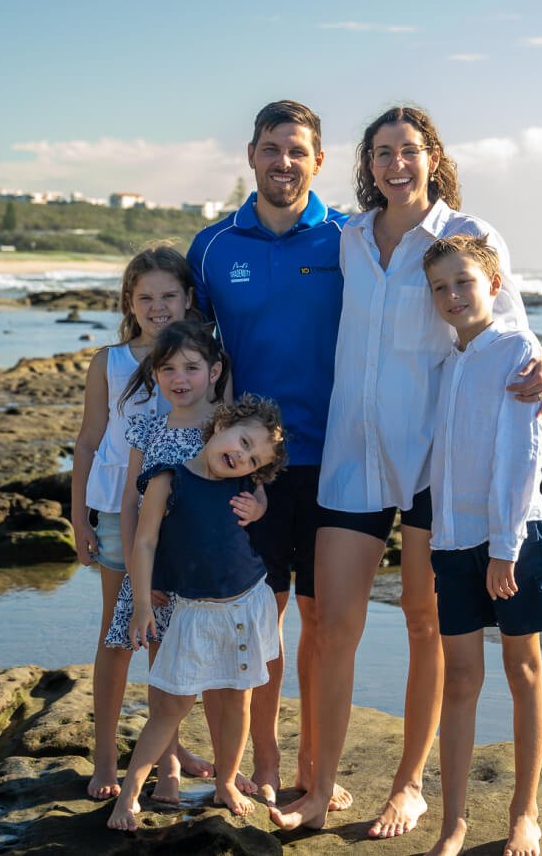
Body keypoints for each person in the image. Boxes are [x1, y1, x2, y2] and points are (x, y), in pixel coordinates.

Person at [269, 106, 542, 835]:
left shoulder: (468, 236)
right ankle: (318, 785)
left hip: (437, 459)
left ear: (431, 156)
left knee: (426, 623)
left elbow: (512, 334)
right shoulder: (345, 238)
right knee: (332, 625)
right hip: (351, 453)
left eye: (407, 150)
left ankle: (409, 787)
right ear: (365, 165)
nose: (394, 164)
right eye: (380, 153)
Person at [187, 100, 349, 805]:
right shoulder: (213, 247)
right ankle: (267, 763)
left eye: (298, 150)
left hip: (338, 462)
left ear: (318, 160)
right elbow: (181, 355)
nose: (284, 162)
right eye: (271, 148)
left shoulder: (350, 236)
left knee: (321, 620)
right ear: (251, 155)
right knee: (261, 620)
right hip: (250, 466)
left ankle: (316, 766)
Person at [422, 234, 542, 856]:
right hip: (454, 542)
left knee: (521, 667)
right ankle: (454, 822)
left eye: (464, 282)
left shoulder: (517, 350)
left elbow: (521, 457)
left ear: (494, 287)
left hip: (515, 536)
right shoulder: (448, 362)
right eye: (440, 287)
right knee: (460, 679)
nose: (452, 295)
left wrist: (505, 546)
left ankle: (524, 813)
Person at [107, 396, 288, 832]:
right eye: (242, 441)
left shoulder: (244, 488)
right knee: (171, 705)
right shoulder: (168, 480)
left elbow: (260, 498)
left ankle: (226, 780)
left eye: (253, 459)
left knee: (237, 700)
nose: (241, 455)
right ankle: (129, 794)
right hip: (192, 611)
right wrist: (143, 605)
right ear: (220, 424)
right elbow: (146, 541)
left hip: (246, 604)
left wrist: (260, 504)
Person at [71, 244, 197, 800]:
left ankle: (168, 753)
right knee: (118, 634)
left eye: (170, 294)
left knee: (166, 638)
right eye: (146, 297)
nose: (159, 305)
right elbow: (90, 439)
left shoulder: (200, 357)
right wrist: (77, 516)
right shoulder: (110, 360)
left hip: (179, 516)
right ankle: (104, 760)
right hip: (112, 509)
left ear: (188, 298)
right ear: (130, 301)